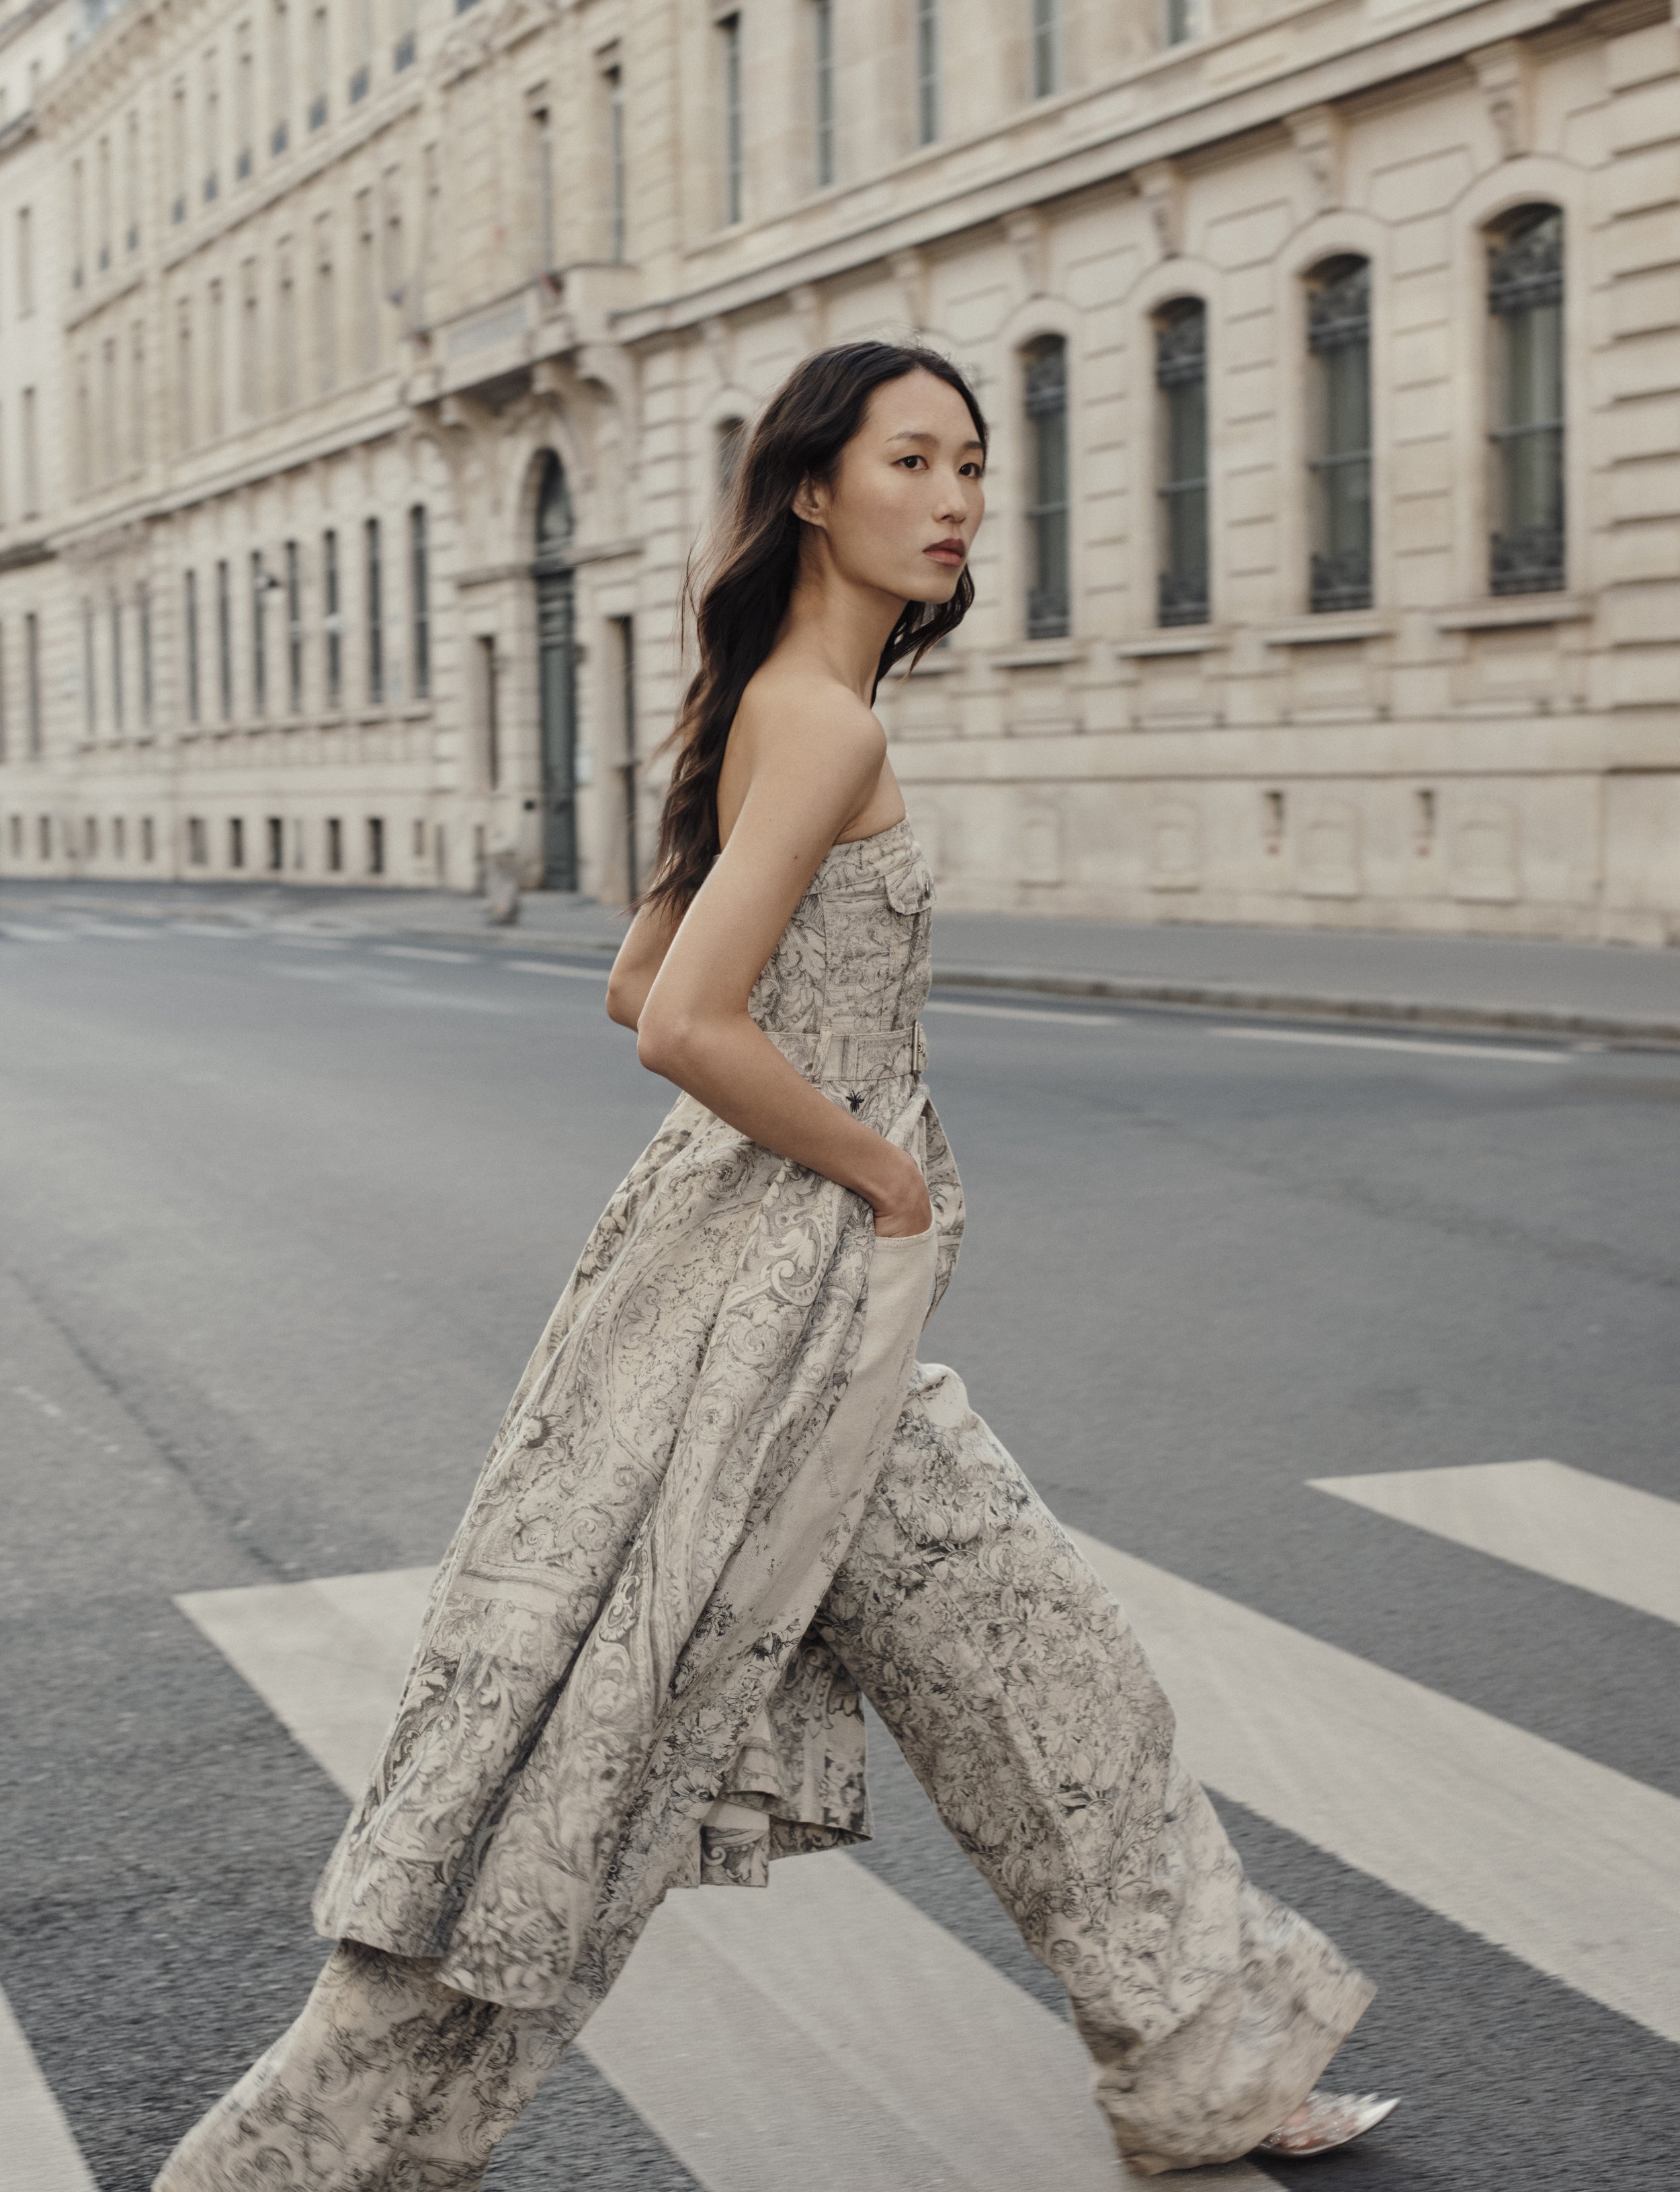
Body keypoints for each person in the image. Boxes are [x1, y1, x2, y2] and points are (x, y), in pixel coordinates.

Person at [155, 341, 1398, 2189]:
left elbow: (630, 977)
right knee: (599, 1755)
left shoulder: (767, 693)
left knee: (1009, 1689)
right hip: (799, 1308)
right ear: (812, 488)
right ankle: (294, 2162)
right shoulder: (823, 723)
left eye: (974, 461)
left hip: (747, 1294)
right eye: (915, 459)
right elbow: (686, 1027)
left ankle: (1199, 2074)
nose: (962, 495)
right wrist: (883, 1173)